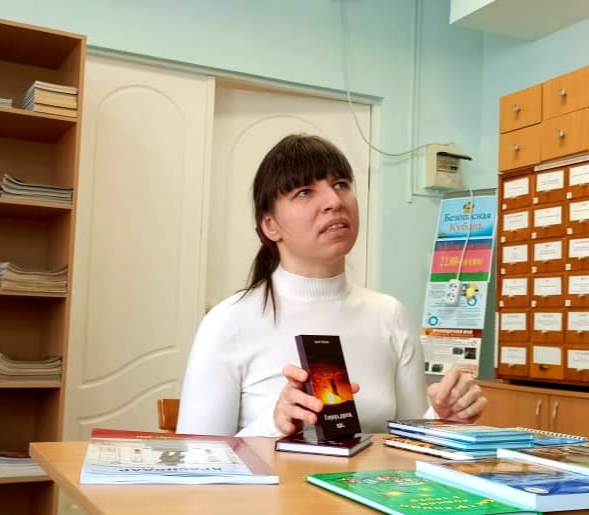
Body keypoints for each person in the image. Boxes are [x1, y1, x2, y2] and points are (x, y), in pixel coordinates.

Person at [176, 133, 486, 437]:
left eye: (341, 185)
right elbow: (197, 458)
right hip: (267, 475)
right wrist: (274, 424)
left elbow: (410, 438)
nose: (334, 201)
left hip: (375, 475)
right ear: (270, 225)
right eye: (304, 192)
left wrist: (444, 418)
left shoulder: (389, 314)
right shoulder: (229, 322)